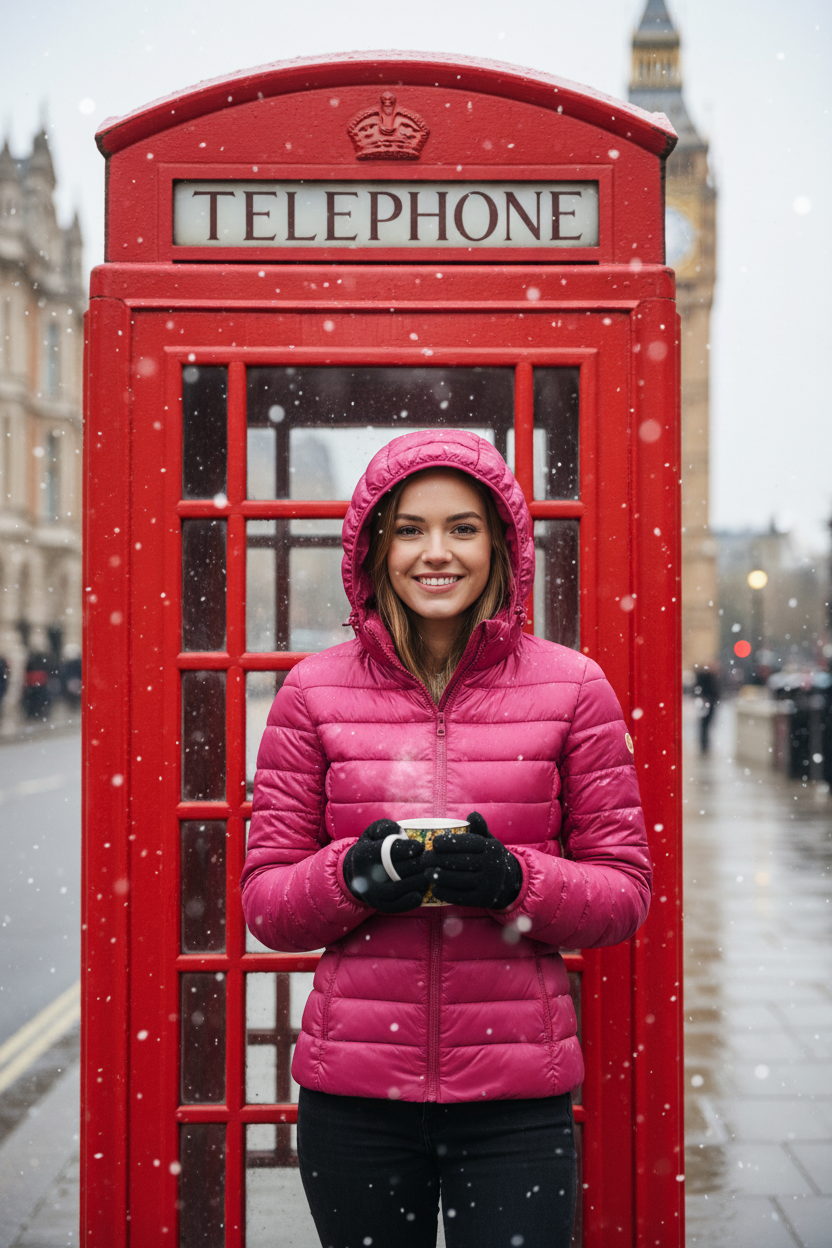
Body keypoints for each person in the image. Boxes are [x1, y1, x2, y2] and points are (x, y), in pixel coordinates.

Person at [242, 430, 651, 1248]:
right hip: (355, 1103)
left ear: (501, 546)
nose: (437, 552)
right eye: (410, 529)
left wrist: (514, 882)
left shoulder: (574, 686)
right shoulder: (311, 693)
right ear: (373, 548)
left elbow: (625, 895)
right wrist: (350, 877)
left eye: (463, 528)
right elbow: (267, 905)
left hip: (514, 1106)